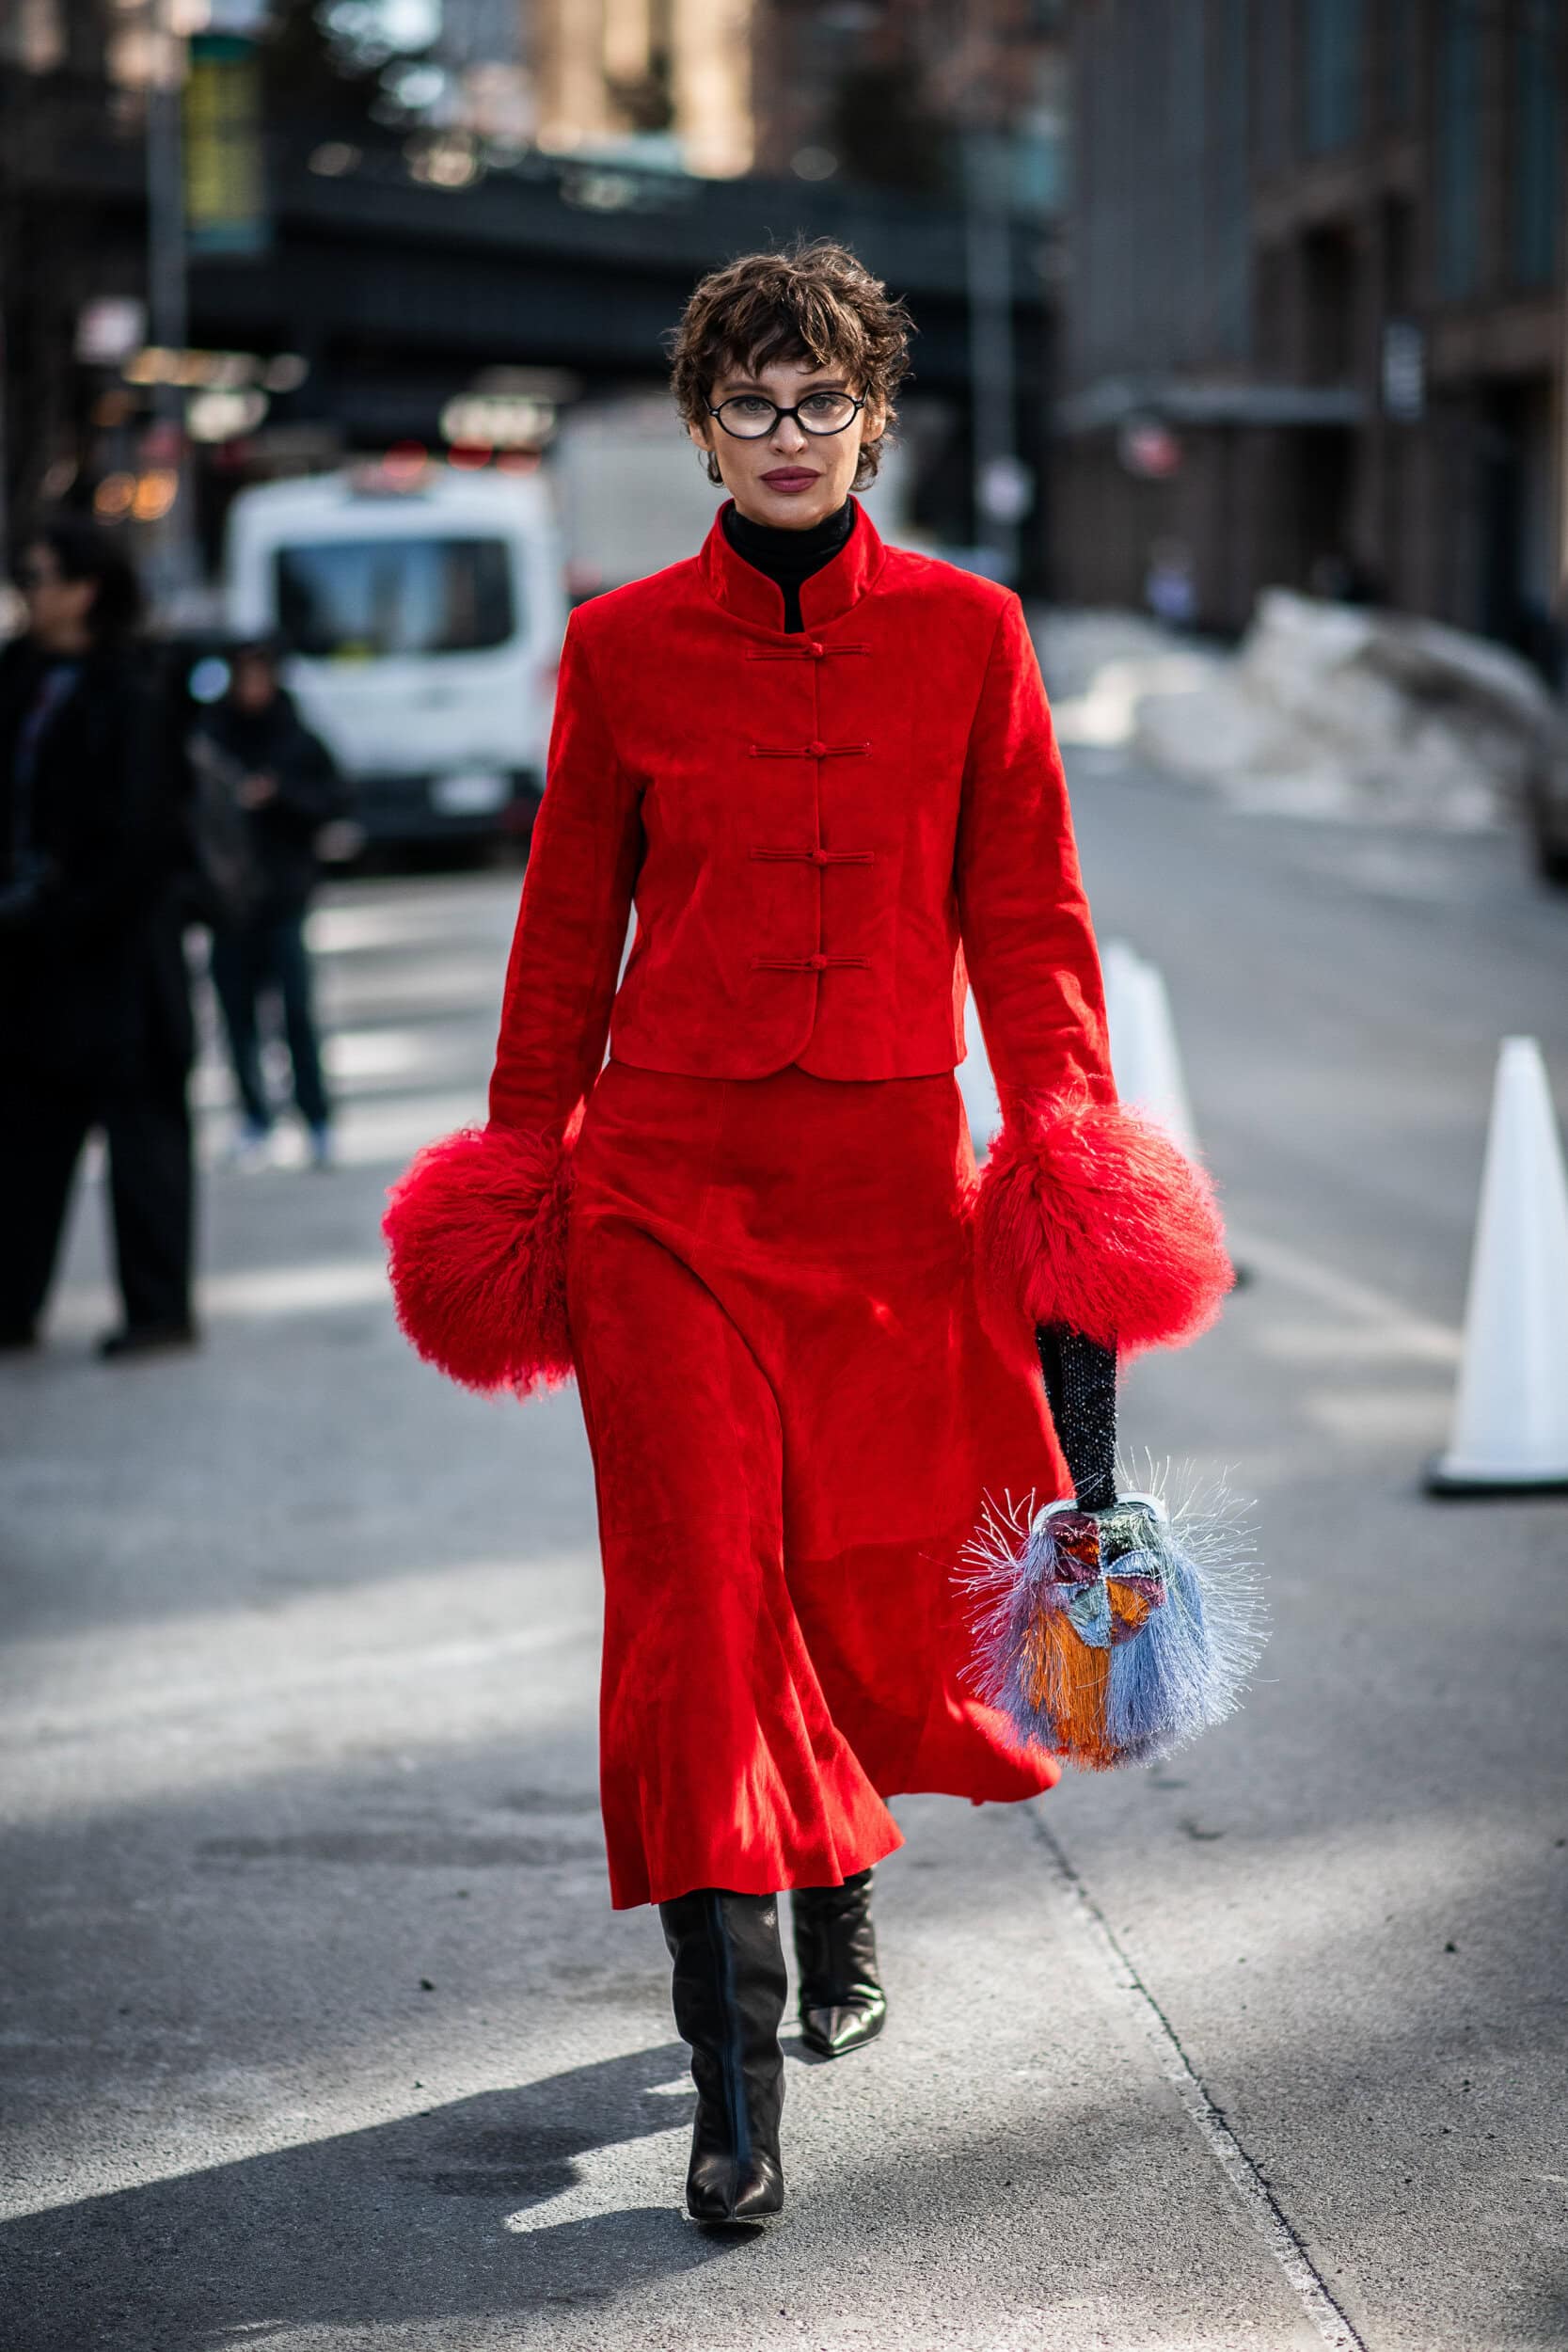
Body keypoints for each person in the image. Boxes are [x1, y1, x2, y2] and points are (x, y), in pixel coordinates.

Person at [384, 239, 1230, 2223]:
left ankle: (836, 1870)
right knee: (696, 1594)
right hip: (661, 1192)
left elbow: (1029, 924)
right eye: (749, 402)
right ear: (702, 428)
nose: (785, 433)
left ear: (872, 421)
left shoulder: (970, 634)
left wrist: (1064, 1146)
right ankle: (731, 2063)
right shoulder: (616, 650)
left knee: (846, 1578)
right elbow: (560, 937)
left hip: (883, 1196)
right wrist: (519, 1159)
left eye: (818, 400)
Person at [0, 516, 197, 1359]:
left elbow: (146, 829)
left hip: (120, 955)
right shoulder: (15, 674)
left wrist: (68, 906)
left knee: (142, 1135)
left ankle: (157, 1309)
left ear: (85, 590)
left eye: (38, 578)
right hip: (28, 957)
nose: (28, 593)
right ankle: (11, 1304)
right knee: (24, 1134)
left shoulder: (136, 683)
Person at [192, 641, 342, 1169]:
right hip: (226, 903)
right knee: (237, 1016)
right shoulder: (210, 738)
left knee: (296, 1012)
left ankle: (316, 1118)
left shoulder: (296, 738)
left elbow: (332, 800)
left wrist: (279, 796)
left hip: (283, 897)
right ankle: (254, 1117)